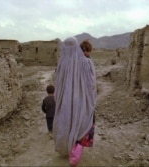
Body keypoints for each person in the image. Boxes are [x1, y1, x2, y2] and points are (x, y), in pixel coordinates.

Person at [53, 37, 97, 166]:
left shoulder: (61, 63)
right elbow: (92, 84)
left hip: (65, 103)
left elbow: (58, 84)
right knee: (83, 125)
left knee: (66, 123)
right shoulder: (86, 63)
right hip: (82, 102)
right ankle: (75, 157)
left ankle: (66, 148)